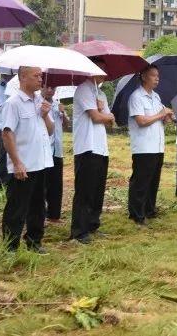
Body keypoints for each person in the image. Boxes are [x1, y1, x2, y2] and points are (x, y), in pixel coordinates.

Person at [1, 66, 54, 254]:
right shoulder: (13, 103)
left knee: (38, 206)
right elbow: (7, 134)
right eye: (36, 76)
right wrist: (16, 162)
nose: (41, 79)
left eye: (41, 75)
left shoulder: (39, 101)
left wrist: (45, 115)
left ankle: (34, 241)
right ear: (23, 77)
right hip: (24, 164)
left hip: (41, 162)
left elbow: (49, 131)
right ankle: (10, 247)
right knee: (17, 207)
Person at [70, 64, 114, 244]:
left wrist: (103, 110)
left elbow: (111, 122)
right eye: (100, 69)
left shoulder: (100, 94)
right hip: (87, 146)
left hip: (101, 147)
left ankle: (93, 224)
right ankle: (79, 230)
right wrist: (102, 113)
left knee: (97, 189)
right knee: (85, 190)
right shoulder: (84, 89)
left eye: (105, 69)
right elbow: (96, 118)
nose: (103, 73)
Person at [127, 65, 173, 226]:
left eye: (158, 75)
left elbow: (160, 119)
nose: (157, 78)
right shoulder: (136, 97)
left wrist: (166, 117)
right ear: (144, 77)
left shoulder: (156, 97)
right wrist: (160, 114)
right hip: (144, 146)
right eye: (153, 75)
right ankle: (136, 213)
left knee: (153, 180)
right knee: (141, 181)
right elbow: (141, 121)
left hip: (157, 145)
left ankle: (149, 209)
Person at [42, 85, 69, 224]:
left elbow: (66, 125)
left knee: (56, 184)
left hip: (57, 149)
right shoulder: (39, 104)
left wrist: (63, 114)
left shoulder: (58, 104)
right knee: (43, 184)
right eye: (47, 87)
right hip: (44, 149)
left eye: (53, 88)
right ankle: (41, 215)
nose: (50, 90)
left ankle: (54, 215)